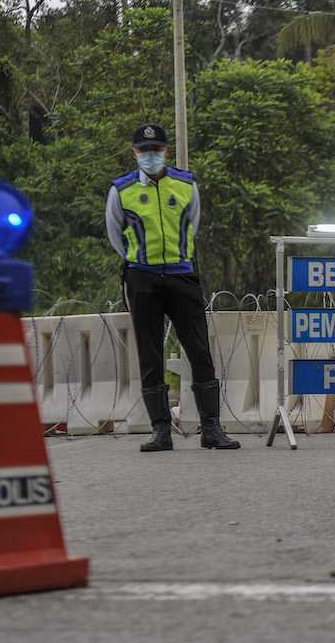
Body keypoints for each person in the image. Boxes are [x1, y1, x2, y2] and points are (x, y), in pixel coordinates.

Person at [106, 123, 239, 452]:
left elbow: (192, 225)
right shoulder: (120, 190)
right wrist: (138, 262)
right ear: (134, 153)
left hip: (181, 275)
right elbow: (115, 232)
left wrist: (177, 256)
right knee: (150, 354)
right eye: (143, 151)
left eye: (156, 150)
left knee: (199, 352)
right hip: (142, 277)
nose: (150, 156)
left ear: (166, 151)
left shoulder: (185, 184)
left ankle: (211, 429)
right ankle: (160, 431)